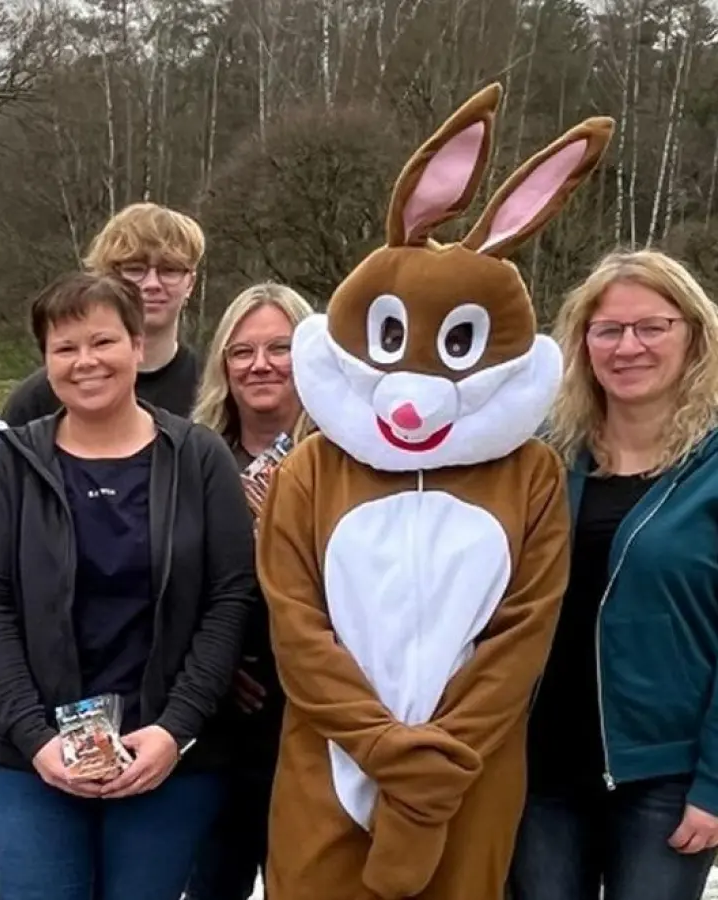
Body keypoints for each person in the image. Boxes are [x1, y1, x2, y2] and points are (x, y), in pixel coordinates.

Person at [257, 83, 603, 900]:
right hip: (328, 759)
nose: (413, 390)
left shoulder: (531, 476)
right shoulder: (312, 470)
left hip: (471, 769)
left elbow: (524, 631)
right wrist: (380, 745)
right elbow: (296, 624)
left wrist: (443, 756)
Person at [0, 271, 258, 900]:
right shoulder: (15, 460)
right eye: (65, 348)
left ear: (137, 347)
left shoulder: (199, 460)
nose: (85, 362)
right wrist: (36, 739)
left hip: (166, 754)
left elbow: (229, 599)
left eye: (103, 342)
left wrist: (176, 730)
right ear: (45, 362)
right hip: (35, 758)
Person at [507, 250, 718, 900]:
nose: (629, 346)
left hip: (665, 778)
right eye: (609, 330)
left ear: (694, 335)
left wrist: (714, 784)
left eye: (652, 327)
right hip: (539, 769)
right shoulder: (542, 457)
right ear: (583, 344)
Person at [185, 282, 314, 900]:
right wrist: (215, 663)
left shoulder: (349, 457)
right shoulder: (190, 457)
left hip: (313, 713)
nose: (260, 365)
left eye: (280, 348)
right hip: (214, 718)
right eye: (242, 352)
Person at [0, 202, 203, 425]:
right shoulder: (37, 401)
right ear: (107, 278)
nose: (152, 284)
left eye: (170, 270)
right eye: (135, 269)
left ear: (190, 283)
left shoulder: (213, 390)